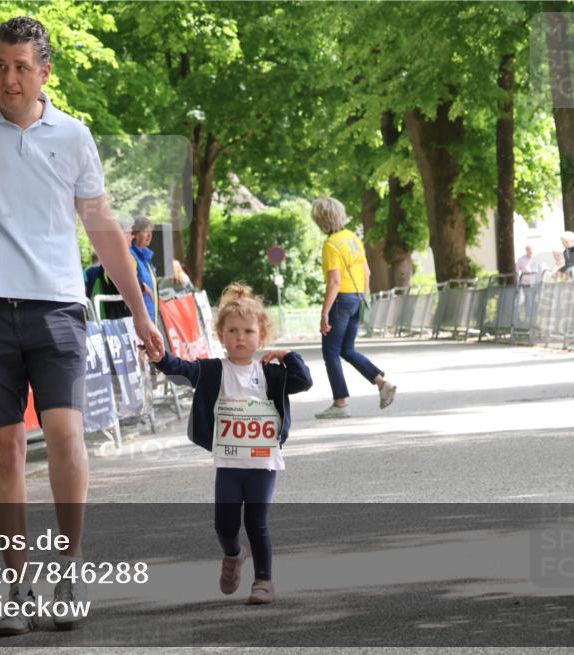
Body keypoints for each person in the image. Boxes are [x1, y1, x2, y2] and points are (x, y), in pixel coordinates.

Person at [0, 16, 164, 637]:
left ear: (45, 71)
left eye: (21, 67)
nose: (9, 79)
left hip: (56, 308)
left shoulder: (74, 136)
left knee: (65, 433)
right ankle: (17, 586)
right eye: (0, 66)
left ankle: (69, 570)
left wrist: (140, 311)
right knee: (3, 448)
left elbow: (102, 227)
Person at [144, 283, 312, 604]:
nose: (240, 337)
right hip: (229, 463)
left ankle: (263, 581)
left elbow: (303, 381)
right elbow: (181, 370)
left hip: (263, 462)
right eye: (232, 331)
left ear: (261, 336)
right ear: (221, 335)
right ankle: (234, 554)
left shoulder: (270, 374)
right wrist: (160, 358)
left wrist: (288, 355)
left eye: (248, 331)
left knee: (257, 522)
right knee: (224, 525)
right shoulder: (212, 371)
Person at [312, 197, 395, 419]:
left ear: (321, 220)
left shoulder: (331, 244)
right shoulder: (353, 238)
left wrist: (324, 313)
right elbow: (367, 272)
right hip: (357, 298)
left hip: (340, 300)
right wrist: (361, 298)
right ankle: (382, 384)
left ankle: (340, 404)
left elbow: (334, 282)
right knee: (347, 350)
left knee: (331, 352)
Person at [129, 215, 159, 325]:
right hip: (139, 323)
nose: (150, 235)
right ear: (135, 234)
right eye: (146, 231)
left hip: (152, 320)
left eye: (151, 232)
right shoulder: (130, 255)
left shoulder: (147, 258)